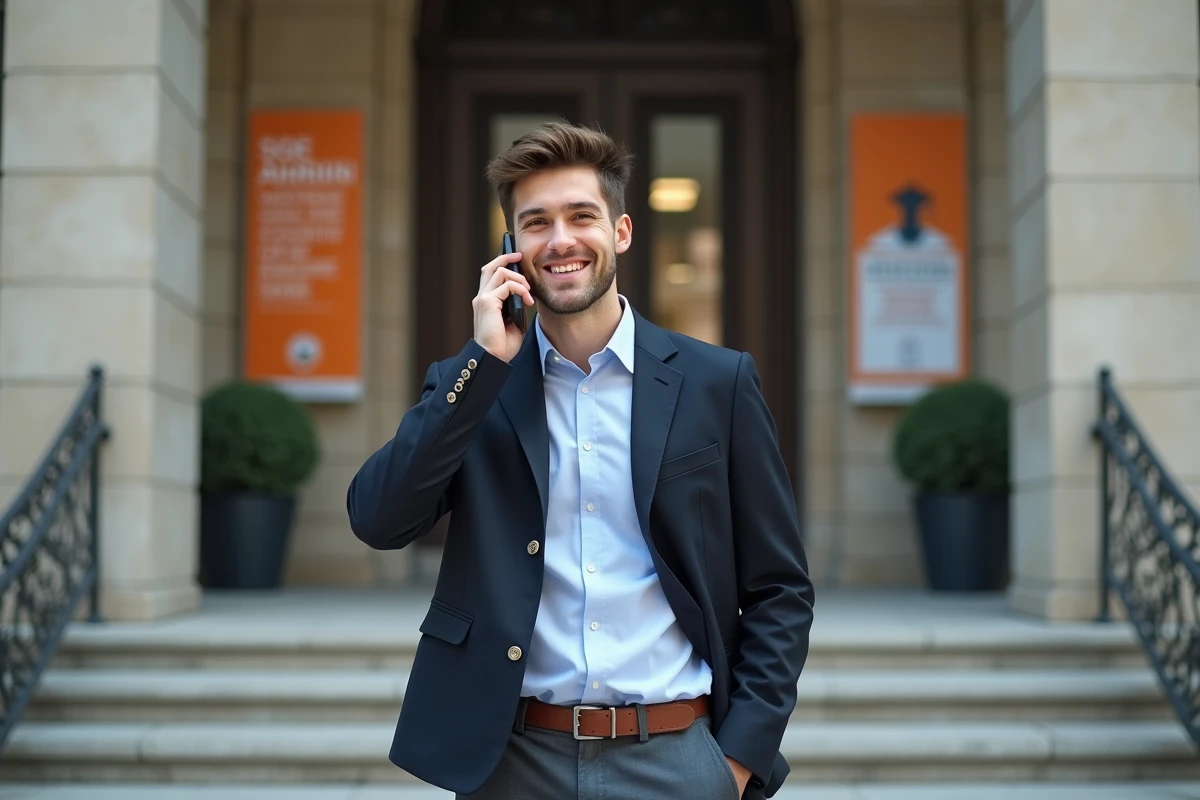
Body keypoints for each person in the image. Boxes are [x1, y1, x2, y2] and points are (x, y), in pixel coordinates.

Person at [346, 120, 815, 799]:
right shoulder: (472, 386)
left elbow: (780, 588)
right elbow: (379, 520)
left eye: (581, 216)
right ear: (511, 249)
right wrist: (482, 365)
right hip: (514, 761)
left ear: (621, 231)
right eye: (536, 223)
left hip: (677, 756)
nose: (560, 240)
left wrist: (737, 762)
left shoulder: (718, 383)